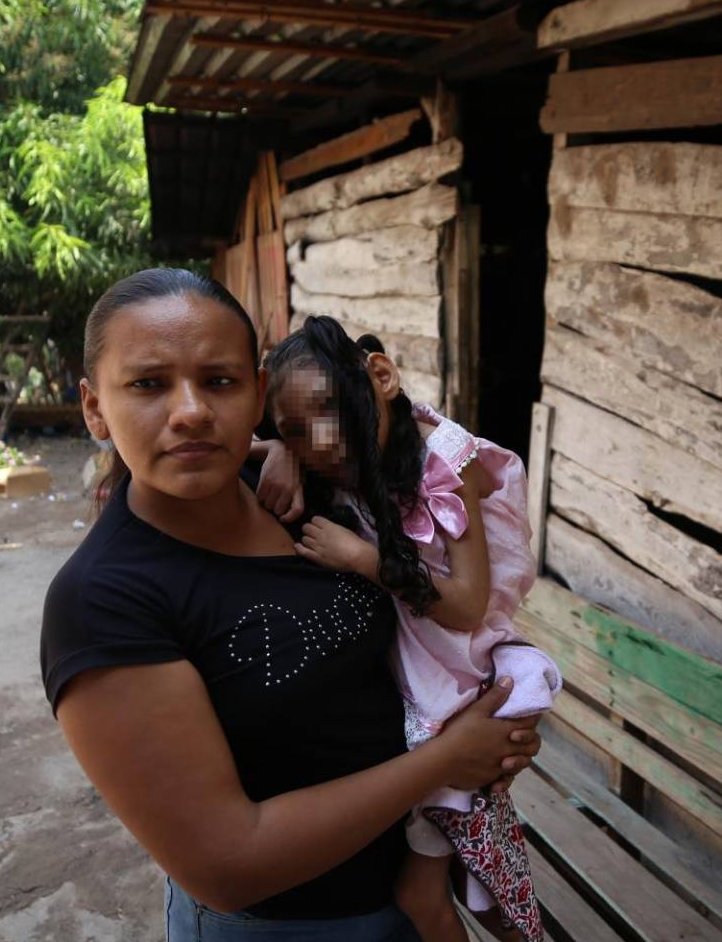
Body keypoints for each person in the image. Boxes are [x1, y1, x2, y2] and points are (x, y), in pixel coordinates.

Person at [41, 269, 542, 941]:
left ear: (257, 395)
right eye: (148, 384)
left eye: (220, 381)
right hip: (290, 928)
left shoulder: (300, 484)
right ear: (94, 407)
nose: (190, 410)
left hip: (409, 892)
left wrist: (283, 449)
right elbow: (227, 863)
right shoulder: (105, 602)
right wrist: (449, 762)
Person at [258, 317, 558, 942]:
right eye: (295, 430)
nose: (321, 441)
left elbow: (469, 604)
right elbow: (278, 438)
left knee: (448, 896)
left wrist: (365, 560)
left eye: (327, 410)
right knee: (436, 891)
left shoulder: (444, 460)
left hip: (458, 685)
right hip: (429, 683)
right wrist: (282, 447)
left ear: (383, 376)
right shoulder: (348, 451)